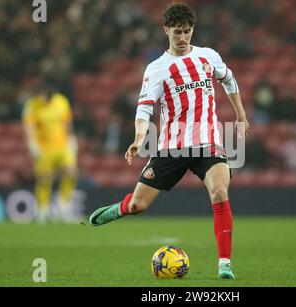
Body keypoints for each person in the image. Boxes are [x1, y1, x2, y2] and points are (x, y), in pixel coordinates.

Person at [88, 3, 250, 280]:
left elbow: (230, 80)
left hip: (208, 142)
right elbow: (144, 109)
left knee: (220, 192)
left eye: (187, 31)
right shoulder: (157, 69)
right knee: (139, 206)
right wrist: (140, 138)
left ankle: (224, 264)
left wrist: (241, 115)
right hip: (171, 147)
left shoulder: (208, 57)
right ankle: (122, 207)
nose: (183, 37)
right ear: (166, 30)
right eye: (177, 32)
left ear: (193, 30)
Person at [23, 81, 78, 223]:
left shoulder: (61, 102)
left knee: (71, 173)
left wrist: (72, 139)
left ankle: (63, 207)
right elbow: (29, 126)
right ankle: (42, 211)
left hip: (63, 145)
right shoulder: (32, 105)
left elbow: (67, 123)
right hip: (44, 147)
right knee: (44, 178)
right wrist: (32, 144)